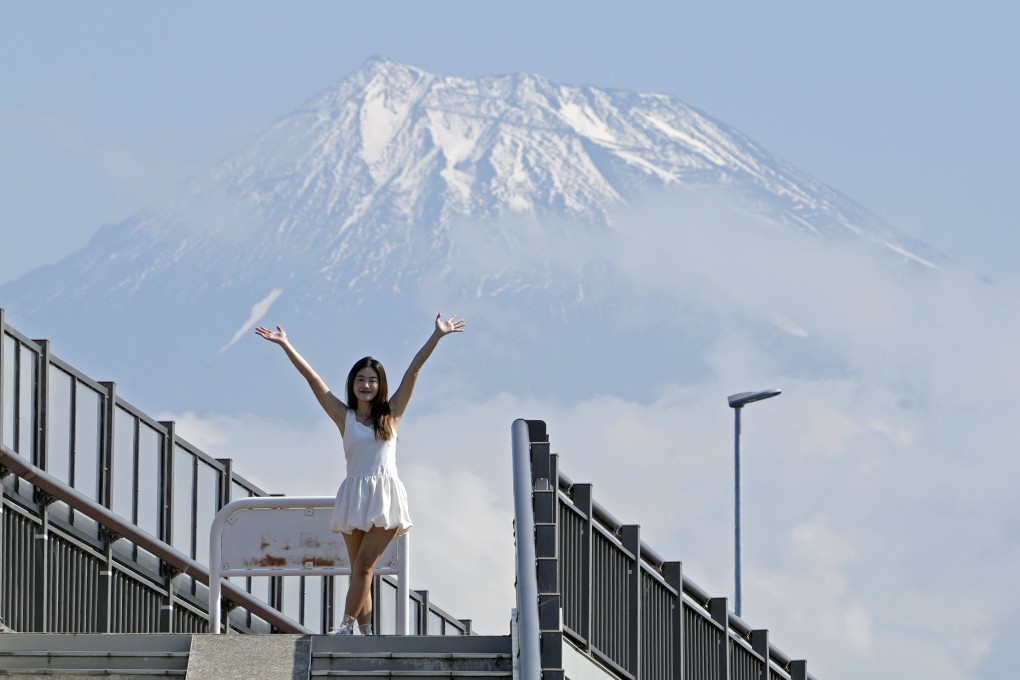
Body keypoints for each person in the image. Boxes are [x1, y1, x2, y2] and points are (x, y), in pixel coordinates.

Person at [255, 313, 466, 635]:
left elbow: (414, 371)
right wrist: (286, 345)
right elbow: (313, 380)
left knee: (366, 565)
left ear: (380, 385)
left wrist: (436, 336)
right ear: (352, 384)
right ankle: (366, 632)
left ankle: (345, 625)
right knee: (358, 570)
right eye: (360, 379)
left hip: (384, 495)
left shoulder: (391, 415)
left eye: (372, 380)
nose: (366, 385)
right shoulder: (345, 417)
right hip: (354, 494)